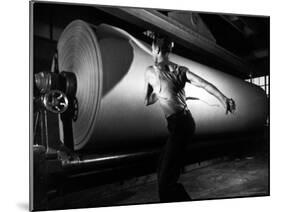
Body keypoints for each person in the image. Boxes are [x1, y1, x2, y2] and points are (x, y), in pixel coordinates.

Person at [144, 35, 236, 203]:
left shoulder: (150, 71)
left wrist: (158, 91)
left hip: (179, 126)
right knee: (162, 169)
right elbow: (205, 84)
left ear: (156, 49)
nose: (152, 51)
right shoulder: (181, 70)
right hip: (185, 123)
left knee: (165, 182)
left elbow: (147, 101)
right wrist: (224, 99)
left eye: (152, 48)